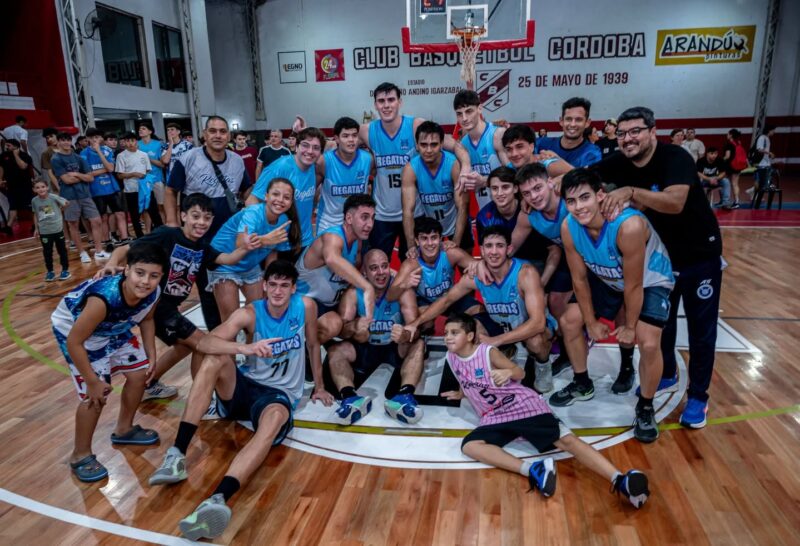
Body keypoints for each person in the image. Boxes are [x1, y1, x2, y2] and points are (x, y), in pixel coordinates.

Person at [148, 260, 334, 540]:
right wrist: (244, 347)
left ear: (294, 288)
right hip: (244, 386)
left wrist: (319, 386)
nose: (278, 291)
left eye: (285, 285)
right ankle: (177, 455)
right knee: (214, 359)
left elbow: (313, 344)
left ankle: (218, 499)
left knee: (273, 420)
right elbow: (206, 342)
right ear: (264, 286)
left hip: (278, 395)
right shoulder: (249, 313)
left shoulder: (306, 307)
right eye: (273, 284)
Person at [591, 106, 723, 429]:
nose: (627, 139)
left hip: (699, 257)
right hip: (660, 260)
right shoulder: (619, 162)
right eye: (622, 133)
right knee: (659, 323)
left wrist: (631, 191)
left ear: (653, 131)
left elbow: (675, 202)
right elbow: (581, 174)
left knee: (701, 330)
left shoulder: (675, 157)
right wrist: (547, 170)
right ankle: (666, 373)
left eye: (635, 131)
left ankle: (698, 396)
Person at [441, 312, 650, 508]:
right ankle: (533, 469)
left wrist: (508, 372)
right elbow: (467, 379)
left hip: (520, 406)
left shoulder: (487, 352)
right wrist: (462, 393)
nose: (448, 337)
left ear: (470, 336)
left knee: (566, 441)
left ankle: (620, 479)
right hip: (494, 415)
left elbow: (520, 373)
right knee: (470, 446)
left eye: (454, 332)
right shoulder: (452, 357)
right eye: (446, 333)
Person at [96, 192, 262, 400]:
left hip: (168, 308)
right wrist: (111, 263)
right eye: (195, 216)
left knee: (184, 346)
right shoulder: (167, 235)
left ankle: (149, 383)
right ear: (183, 216)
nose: (201, 222)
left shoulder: (203, 247)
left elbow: (227, 259)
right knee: (203, 343)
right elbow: (124, 249)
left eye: (207, 218)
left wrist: (244, 248)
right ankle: (201, 398)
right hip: (157, 306)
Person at [551, 169, 674, 443]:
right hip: (607, 277)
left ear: (600, 195)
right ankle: (582, 383)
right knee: (569, 321)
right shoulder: (569, 226)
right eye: (571, 201)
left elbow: (633, 285)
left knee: (648, 342)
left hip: (649, 279)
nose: (578, 207)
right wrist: (590, 322)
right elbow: (579, 279)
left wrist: (630, 326)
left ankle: (645, 406)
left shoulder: (628, 226)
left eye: (585, 197)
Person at [51, 242, 167, 482]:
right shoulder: (103, 298)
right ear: (127, 270)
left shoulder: (153, 292)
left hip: (113, 326)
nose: (145, 281)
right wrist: (92, 381)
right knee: (95, 395)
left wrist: (152, 354)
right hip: (77, 332)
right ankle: (80, 454)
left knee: (139, 375)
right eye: (140, 273)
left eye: (153, 276)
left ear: (161, 276)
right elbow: (74, 342)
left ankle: (124, 429)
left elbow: (147, 320)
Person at [406, 226, 554, 393]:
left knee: (536, 341)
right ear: (482, 250)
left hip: (528, 327)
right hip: (500, 326)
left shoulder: (525, 273)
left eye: (499, 246)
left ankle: (543, 365)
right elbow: (446, 300)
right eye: (489, 246)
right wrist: (416, 322)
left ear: (509, 249)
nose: (494, 251)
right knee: (471, 332)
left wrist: (497, 340)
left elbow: (538, 323)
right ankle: (502, 354)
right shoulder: (476, 276)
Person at [359, 81, 472, 261]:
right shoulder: (367, 131)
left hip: (416, 212)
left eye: (391, 100)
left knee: (415, 265)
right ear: (375, 105)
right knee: (376, 262)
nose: (386, 105)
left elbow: (455, 145)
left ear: (400, 102)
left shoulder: (415, 126)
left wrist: (465, 166)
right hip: (382, 214)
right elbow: (340, 144)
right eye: (381, 101)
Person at [166, 115, 252, 331]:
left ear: (229, 136)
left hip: (230, 236)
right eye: (212, 131)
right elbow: (171, 190)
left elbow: (247, 190)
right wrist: (172, 223)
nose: (218, 135)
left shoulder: (237, 161)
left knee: (233, 286)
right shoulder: (188, 158)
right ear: (204, 134)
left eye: (222, 131)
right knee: (206, 291)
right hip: (199, 238)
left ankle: (238, 330)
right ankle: (216, 334)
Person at [326, 248, 425, 425]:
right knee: (335, 350)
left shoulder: (402, 290)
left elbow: (415, 328)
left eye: (384, 266)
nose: (380, 272)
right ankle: (350, 398)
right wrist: (354, 326)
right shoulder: (354, 293)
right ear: (364, 271)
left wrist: (405, 334)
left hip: (394, 346)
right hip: (366, 347)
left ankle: (405, 395)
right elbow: (341, 332)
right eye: (374, 268)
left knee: (418, 344)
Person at [209, 177, 300, 322]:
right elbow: (240, 243)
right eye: (275, 194)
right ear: (266, 196)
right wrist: (265, 240)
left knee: (257, 315)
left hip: (250, 266)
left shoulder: (284, 221)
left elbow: (272, 253)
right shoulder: (253, 213)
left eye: (286, 197)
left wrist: (270, 279)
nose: (280, 200)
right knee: (231, 320)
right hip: (225, 263)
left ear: (291, 202)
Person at [295, 194, 376, 343]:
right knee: (334, 323)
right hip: (304, 303)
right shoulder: (332, 237)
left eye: (372, 218)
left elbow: (353, 277)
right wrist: (366, 286)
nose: (370, 224)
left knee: (361, 331)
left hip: (330, 305)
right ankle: (304, 354)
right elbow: (332, 259)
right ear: (349, 218)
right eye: (364, 217)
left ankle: (335, 351)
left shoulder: (357, 243)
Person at [247, 127, 326, 253]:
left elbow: (335, 145)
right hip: (278, 245)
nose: (310, 151)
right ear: (297, 146)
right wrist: (263, 235)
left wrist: (305, 130)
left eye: (316, 148)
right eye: (305, 145)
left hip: (305, 240)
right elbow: (252, 201)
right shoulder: (279, 167)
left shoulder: (313, 167)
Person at [390, 216, 480, 323]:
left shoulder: (451, 253)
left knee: (477, 310)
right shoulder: (411, 264)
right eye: (424, 238)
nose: (430, 243)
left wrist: (475, 269)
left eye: (434, 237)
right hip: (425, 302)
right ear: (417, 241)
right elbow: (390, 295)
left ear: (440, 239)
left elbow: (484, 268)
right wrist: (404, 284)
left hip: (450, 298)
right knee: (422, 319)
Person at [402, 121, 471, 253]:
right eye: (424, 145)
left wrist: (456, 242)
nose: (428, 150)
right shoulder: (410, 169)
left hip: (456, 220)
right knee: (425, 262)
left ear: (441, 144)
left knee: (465, 259)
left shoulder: (454, 165)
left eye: (434, 144)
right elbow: (408, 211)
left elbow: (462, 206)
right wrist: (411, 247)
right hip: (430, 223)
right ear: (417, 145)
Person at [50, 132, 109, 261]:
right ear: (58, 142)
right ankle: (82, 253)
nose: (66, 143)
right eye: (63, 140)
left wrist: (76, 174)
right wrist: (83, 177)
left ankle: (99, 251)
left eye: (68, 140)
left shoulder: (78, 157)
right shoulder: (56, 159)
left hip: (85, 194)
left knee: (96, 221)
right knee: (74, 224)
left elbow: (90, 177)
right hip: (69, 196)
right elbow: (67, 180)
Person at [453, 89, 508, 210]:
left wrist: (484, 181)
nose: (464, 118)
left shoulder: (497, 135)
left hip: (507, 210)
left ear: (479, 109)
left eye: (469, 111)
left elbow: (513, 174)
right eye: (459, 114)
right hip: (484, 212)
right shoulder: (463, 145)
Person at [316, 117, 373, 233]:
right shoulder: (324, 161)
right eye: (345, 136)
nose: (351, 140)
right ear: (337, 139)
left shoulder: (368, 159)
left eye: (354, 135)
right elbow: (311, 190)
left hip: (356, 223)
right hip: (329, 222)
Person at [81, 128, 129, 246]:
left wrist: (99, 151)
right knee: (103, 217)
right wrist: (104, 169)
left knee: (120, 213)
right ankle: (107, 241)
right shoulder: (84, 154)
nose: (95, 140)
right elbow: (88, 174)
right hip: (96, 190)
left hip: (112, 187)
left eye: (97, 137)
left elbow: (111, 168)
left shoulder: (106, 150)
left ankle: (125, 239)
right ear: (88, 139)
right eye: (92, 138)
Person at [115, 132, 162, 239]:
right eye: (127, 141)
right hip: (131, 190)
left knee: (154, 212)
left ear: (136, 141)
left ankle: (160, 234)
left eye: (132, 140)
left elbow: (148, 170)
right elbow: (120, 175)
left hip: (145, 189)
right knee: (135, 215)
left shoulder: (143, 154)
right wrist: (133, 174)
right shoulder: (121, 156)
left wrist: (145, 178)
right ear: (124, 142)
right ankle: (140, 237)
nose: (130, 143)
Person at [535, 97, 601, 167]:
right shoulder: (542, 144)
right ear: (561, 121)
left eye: (578, 120)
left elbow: (587, 174)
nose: (573, 124)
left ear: (587, 123)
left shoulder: (592, 153)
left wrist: (557, 162)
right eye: (568, 119)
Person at [31, 179, 71, 281]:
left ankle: (65, 270)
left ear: (47, 187)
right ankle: (50, 272)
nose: (41, 189)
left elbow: (67, 203)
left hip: (57, 229)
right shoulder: (34, 201)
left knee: (61, 250)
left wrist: (60, 211)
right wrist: (36, 228)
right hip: (44, 231)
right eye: (37, 188)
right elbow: (35, 214)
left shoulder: (53, 197)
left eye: (43, 187)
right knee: (47, 252)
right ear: (34, 190)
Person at [502, 125, 571, 176]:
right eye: (509, 149)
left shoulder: (548, 165)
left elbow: (576, 177)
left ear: (531, 147)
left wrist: (559, 179)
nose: (514, 154)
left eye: (519, 147)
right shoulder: (510, 168)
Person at [137, 123, 167, 226]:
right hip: (143, 180)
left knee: (160, 206)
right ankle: (149, 231)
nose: (140, 130)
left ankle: (163, 228)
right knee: (146, 208)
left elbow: (162, 164)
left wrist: (147, 158)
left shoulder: (159, 144)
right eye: (139, 129)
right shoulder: (137, 145)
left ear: (150, 131)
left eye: (143, 128)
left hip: (157, 179)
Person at [0, 138, 33, 229]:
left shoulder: (24, 155)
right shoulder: (3, 155)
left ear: (15, 146)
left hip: (25, 185)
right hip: (11, 185)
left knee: (29, 206)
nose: (6, 147)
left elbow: (23, 166)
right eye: (6, 145)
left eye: (8, 145)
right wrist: (0, 179)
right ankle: (8, 227)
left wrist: (16, 155)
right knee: (12, 206)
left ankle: (35, 225)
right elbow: (1, 167)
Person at [752, 125, 776, 209]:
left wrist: (769, 156)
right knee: (762, 186)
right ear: (769, 130)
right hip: (761, 165)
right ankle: (757, 203)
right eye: (773, 130)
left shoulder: (767, 139)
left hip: (766, 165)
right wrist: (770, 153)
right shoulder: (762, 138)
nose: (774, 132)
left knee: (771, 186)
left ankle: (767, 205)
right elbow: (759, 149)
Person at [722, 129, 746, 208]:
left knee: (724, 182)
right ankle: (736, 201)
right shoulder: (738, 143)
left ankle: (727, 201)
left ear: (731, 135)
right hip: (738, 166)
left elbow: (727, 156)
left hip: (730, 166)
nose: (727, 135)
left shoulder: (728, 144)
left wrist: (720, 160)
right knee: (735, 183)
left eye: (728, 134)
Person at [40, 127, 60, 192]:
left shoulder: (68, 149)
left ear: (57, 135)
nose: (50, 139)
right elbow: (50, 173)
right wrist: (58, 187)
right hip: (58, 182)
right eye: (47, 138)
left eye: (51, 136)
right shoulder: (46, 153)